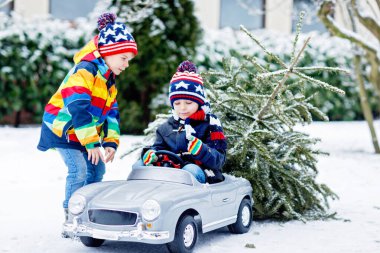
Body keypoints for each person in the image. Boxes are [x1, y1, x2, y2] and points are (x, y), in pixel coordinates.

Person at [37, 13, 138, 227]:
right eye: (124, 58)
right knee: (79, 169)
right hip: (62, 129)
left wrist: (110, 142)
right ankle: (72, 215)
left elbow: (111, 113)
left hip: (83, 132)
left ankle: (87, 208)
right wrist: (91, 142)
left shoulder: (109, 82)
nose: (127, 64)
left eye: (129, 60)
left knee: (97, 169)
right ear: (109, 53)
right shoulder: (84, 71)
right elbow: (78, 108)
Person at [137, 60, 227, 184]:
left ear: (199, 102)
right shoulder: (166, 128)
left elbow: (219, 159)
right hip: (171, 172)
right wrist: (151, 154)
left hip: (203, 172)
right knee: (139, 166)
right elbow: (158, 148)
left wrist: (202, 150)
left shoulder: (210, 125)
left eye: (189, 103)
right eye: (177, 103)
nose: (182, 108)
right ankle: (141, 196)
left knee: (189, 171)